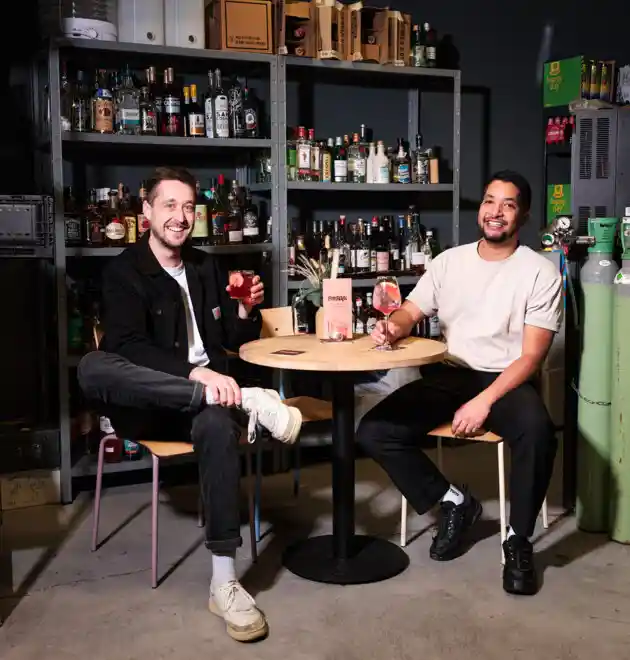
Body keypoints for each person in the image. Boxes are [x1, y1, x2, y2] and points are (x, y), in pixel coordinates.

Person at [78, 166, 303, 642]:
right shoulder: (123, 272)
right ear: (146, 211)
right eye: (169, 205)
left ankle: (224, 581)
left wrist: (245, 310)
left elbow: (230, 340)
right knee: (93, 366)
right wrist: (197, 376)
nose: (179, 217)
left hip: (207, 404)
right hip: (153, 403)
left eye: (187, 207)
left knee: (217, 425)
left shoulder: (204, 267)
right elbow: (130, 348)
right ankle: (247, 401)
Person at [356, 171, 562, 596]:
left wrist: (484, 402)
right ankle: (454, 502)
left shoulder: (540, 273)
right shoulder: (449, 261)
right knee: (374, 431)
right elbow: (411, 310)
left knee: (538, 431)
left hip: (505, 379)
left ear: (523, 215)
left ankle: (517, 541)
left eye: (508, 204)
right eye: (489, 201)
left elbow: (530, 358)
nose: (495, 212)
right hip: (451, 373)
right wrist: (392, 327)